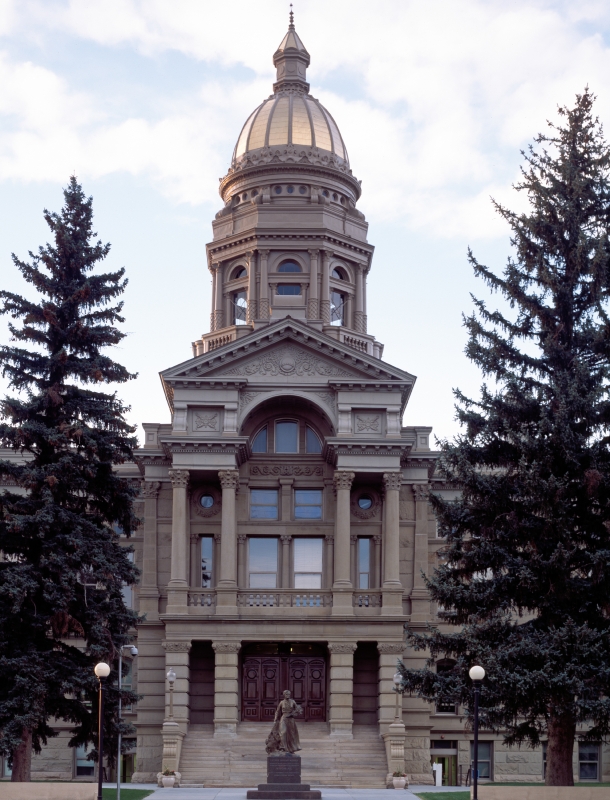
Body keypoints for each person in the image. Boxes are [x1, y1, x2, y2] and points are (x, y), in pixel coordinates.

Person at [265, 690, 303, 754]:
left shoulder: (293, 702)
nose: (288, 695)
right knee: (283, 732)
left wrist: (293, 713)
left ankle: (291, 748)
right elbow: (277, 711)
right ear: (284, 695)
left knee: (291, 734)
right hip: (284, 718)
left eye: (289, 694)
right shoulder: (281, 702)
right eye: (286, 694)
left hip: (291, 720)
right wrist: (275, 719)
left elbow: (298, 710)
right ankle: (282, 747)